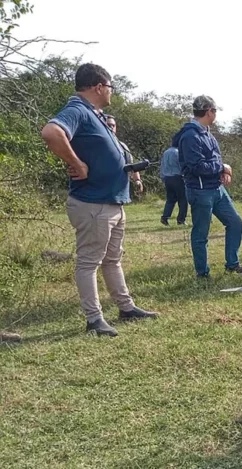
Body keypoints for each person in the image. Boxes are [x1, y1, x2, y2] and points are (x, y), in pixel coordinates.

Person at [40, 63, 158, 337]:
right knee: (89, 261)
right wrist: (77, 164)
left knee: (112, 259)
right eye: (110, 87)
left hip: (110, 201)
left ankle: (126, 308)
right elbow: (51, 132)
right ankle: (94, 320)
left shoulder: (95, 114)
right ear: (98, 87)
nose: (111, 93)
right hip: (93, 203)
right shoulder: (78, 110)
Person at [175, 95, 242, 277]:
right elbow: (196, 166)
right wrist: (223, 167)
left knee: (235, 223)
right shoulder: (190, 136)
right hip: (200, 191)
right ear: (209, 111)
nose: (216, 114)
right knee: (201, 233)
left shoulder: (207, 133)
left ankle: (232, 264)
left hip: (217, 189)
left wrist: (222, 171)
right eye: (215, 110)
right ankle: (202, 273)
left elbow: (215, 159)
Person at [105, 115, 143, 196]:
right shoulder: (95, 145)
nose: (111, 127)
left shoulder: (122, 146)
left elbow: (131, 164)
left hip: (120, 190)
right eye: (108, 125)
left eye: (113, 125)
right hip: (100, 191)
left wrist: (137, 180)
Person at [159, 143, 188, 225]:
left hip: (167, 178)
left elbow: (162, 165)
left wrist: (162, 176)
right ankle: (181, 219)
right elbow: (181, 166)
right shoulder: (178, 152)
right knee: (183, 200)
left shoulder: (166, 152)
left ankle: (165, 217)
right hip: (178, 177)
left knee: (170, 199)